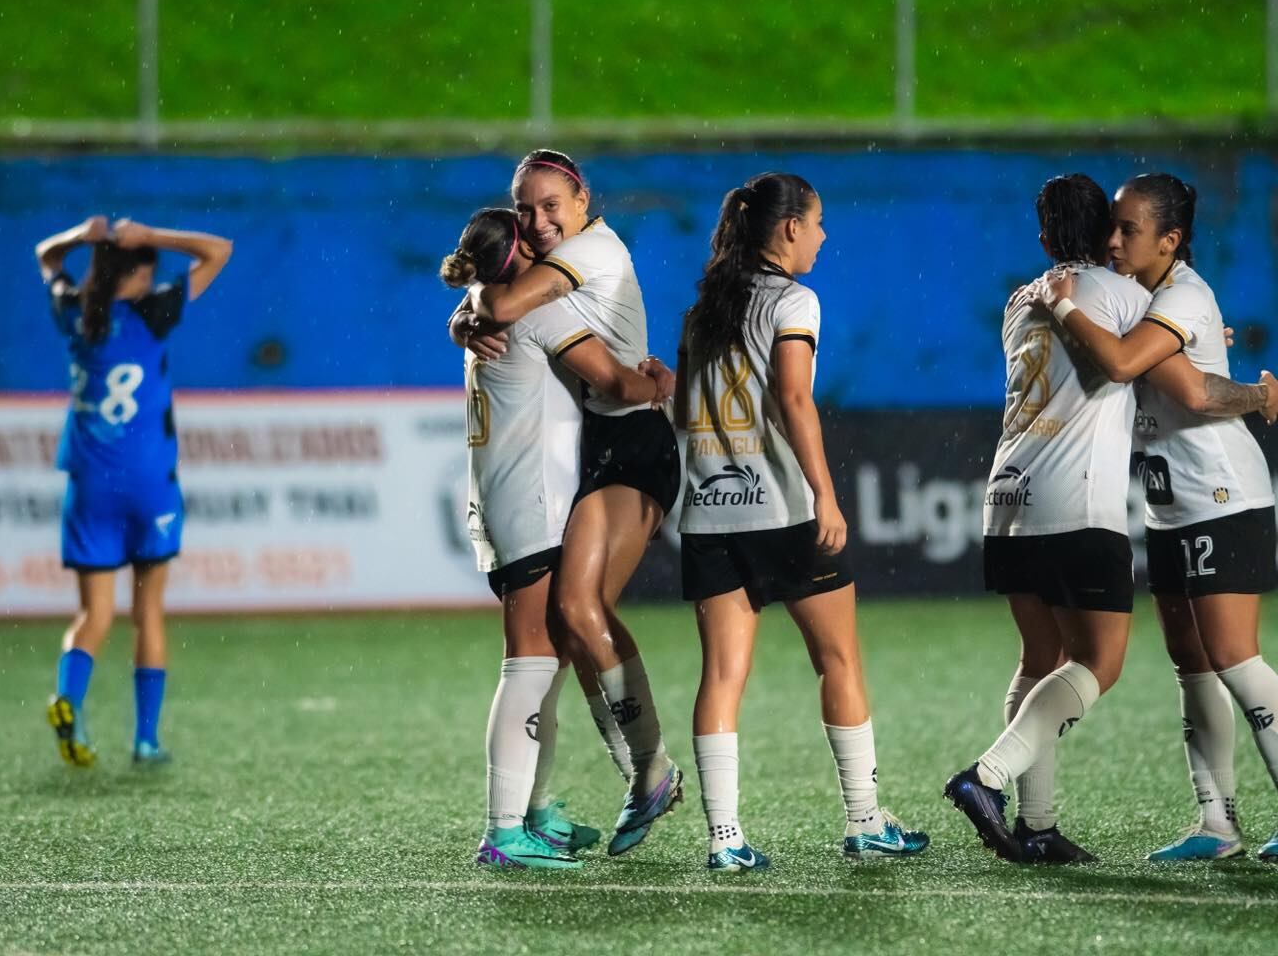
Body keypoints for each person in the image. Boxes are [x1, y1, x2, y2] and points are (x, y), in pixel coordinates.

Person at [675, 172, 929, 871]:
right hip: (781, 509)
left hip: (708, 513)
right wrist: (826, 493)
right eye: (817, 223)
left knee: (721, 677)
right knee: (839, 660)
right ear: (788, 228)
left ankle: (724, 840)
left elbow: (680, 408)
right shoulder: (794, 300)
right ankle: (864, 819)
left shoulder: (704, 310)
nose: (821, 235)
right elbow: (793, 396)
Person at [1037, 173, 1278, 863]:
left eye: (1129, 230)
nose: (1112, 239)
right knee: (1192, 663)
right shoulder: (1151, 299)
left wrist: (1061, 306)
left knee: (1235, 657)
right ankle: (1216, 823)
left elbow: (1160, 382)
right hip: (1172, 504)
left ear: (1169, 241)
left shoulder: (1181, 296)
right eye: (1112, 226)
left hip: (1222, 496)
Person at [455, 150, 684, 855]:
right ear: (514, 244)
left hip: (622, 456)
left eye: (551, 203)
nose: (541, 219)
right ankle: (529, 816)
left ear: (584, 199)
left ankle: (603, 784)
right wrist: (660, 385)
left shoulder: (592, 252)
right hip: (557, 479)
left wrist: (465, 311)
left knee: (571, 623)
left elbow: (494, 303)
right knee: (554, 639)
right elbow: (607, 377)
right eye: (526, 211)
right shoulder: (532, 310)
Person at [943, 174, 1155, 863]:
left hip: (1007, 500)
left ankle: (1036, 827)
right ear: (1108, 235)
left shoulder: (1018, 300)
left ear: (1042, 238)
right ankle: (988, 777)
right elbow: (1148, 371)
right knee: (1100, 662)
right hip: (1077, 504)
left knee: (1040, 659)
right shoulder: (1125, 295)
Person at [35, 215, 232, 768]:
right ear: (140, 273)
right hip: (148, 484)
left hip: (90, 484)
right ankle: (145, 741)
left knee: (93, 615)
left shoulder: (75, 311)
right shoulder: (156, 310)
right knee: (148, 612)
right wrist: (155, 236)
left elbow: (45, 257)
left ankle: (68, 699)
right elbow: (219, 249)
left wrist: (78, 236)